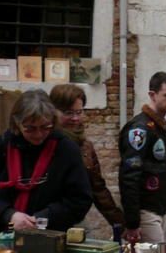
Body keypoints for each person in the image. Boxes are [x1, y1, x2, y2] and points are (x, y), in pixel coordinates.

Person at [0, 90, 93, 238]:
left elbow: (80, 199)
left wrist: (42, 218)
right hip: (2, 240)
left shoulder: (66, 150)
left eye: (45, 127)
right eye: (30, 128)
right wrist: (8, 215)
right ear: (17, 122)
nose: (38, 134)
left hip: (51, 239)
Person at [49, 84, 124, 235]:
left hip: (76, 219)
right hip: (46, 221)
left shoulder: (84, 146)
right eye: (68, 112)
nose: (75, 118)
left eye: (79, 112)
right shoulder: (44, 141)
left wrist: (121, 224)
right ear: (53, 111)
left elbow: (97, 189)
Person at [118, 72, 166, 242]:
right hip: (145, 212)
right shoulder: (140, 129)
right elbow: (129, 176)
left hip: (158, 208)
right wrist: (132, 221)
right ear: (152, 95)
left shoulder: (157, 125)